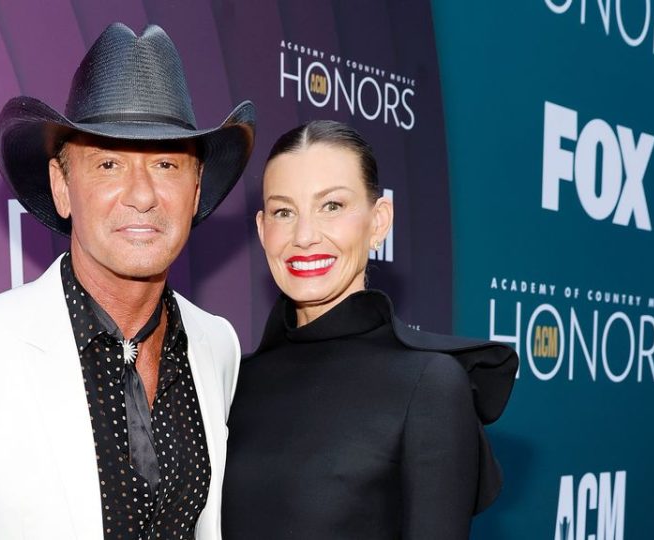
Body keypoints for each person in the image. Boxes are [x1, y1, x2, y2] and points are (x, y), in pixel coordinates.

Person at [0, 23, 255, 540]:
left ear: (195, 192)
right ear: (62, 187)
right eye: (108, 164)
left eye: (167, 164)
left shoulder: (217, 344)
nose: (142, 195)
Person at [220, 120, 517, 539]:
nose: (304, 236)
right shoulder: (232, 382)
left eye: (332, 206)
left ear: (379, 222)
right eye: (284, 212)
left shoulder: (429, 385)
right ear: (262, 229)